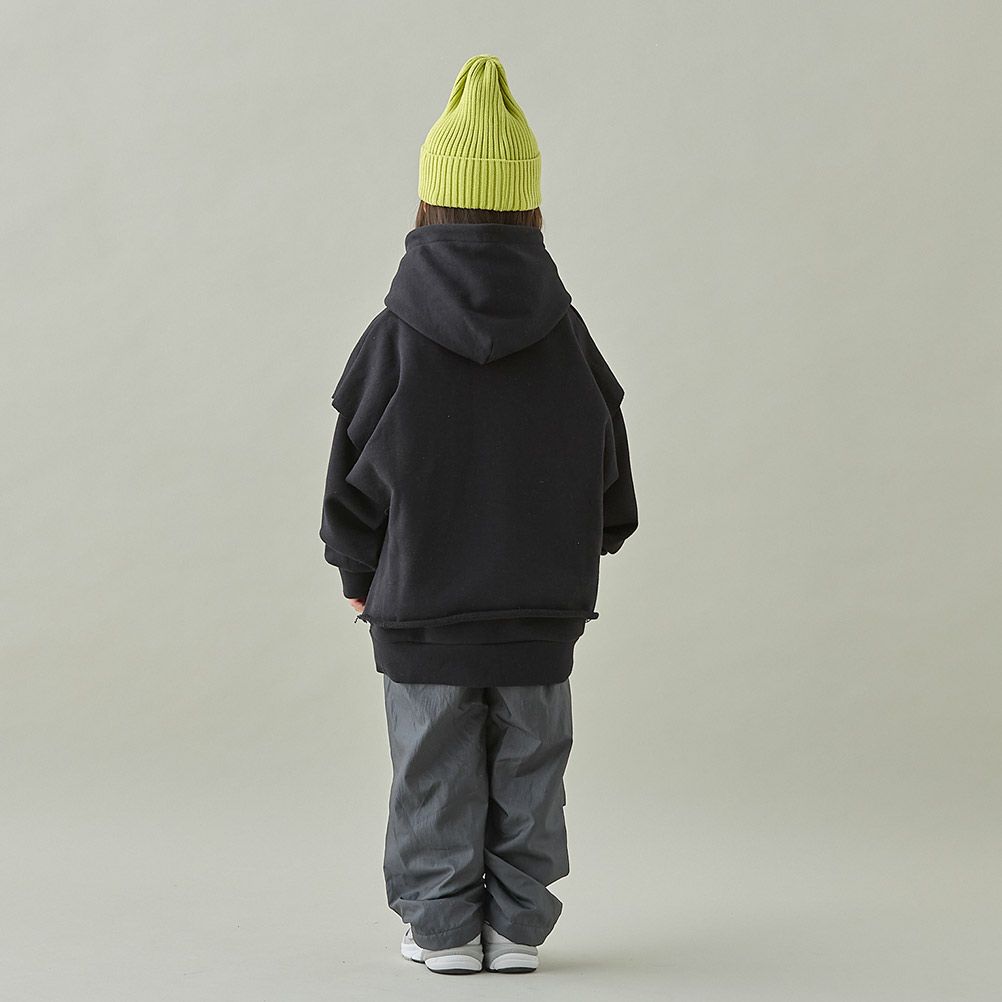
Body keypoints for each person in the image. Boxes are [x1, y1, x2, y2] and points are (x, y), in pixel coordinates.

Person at [319, 53, 638, 975]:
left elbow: (351, 467)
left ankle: (443, 930)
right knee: (531, 766)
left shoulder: (393, 338)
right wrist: (591, 543)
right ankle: (519, 931)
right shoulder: (566, 335)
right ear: (531, 208)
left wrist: (357, 569)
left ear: (428, 203)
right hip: (540, 604)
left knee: (431, 765)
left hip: (419, 603)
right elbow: (608, 448)